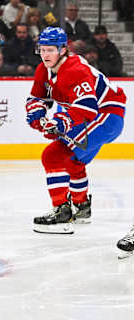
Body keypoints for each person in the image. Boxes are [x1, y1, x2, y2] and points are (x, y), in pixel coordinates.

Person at [26, 27, 126, 234]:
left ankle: (62, 214)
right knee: (72, 160)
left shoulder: (74, 69)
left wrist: (61, 122)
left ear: (63, 50)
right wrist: (38, 116)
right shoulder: (43, 70)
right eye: (42, 50)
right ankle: (81, 207)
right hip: (97, 115)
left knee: (52, 156)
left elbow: (87, 107)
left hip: (106, 115)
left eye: (50, 50)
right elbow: (37, 98)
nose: (45, 55)